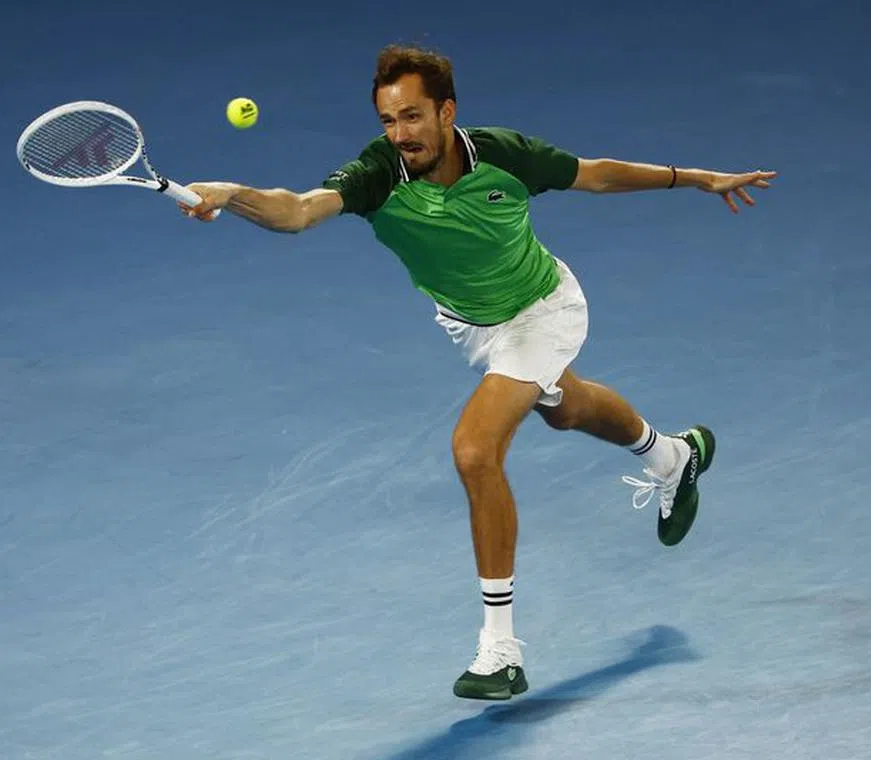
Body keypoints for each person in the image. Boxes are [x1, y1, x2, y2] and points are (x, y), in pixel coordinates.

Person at [179, 43, 775, 701]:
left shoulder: (503, 153)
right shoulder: (379, 173)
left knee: (474, 451)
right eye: (388, 121)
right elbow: (296, 211)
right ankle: (672, 456)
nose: (400, 134)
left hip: (544, 308)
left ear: (446, 111)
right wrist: (232, 193)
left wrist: (695, 177)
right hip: (472, 324)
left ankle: (501, 650)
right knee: (568, 409)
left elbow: (597, 174)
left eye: (412, 117)